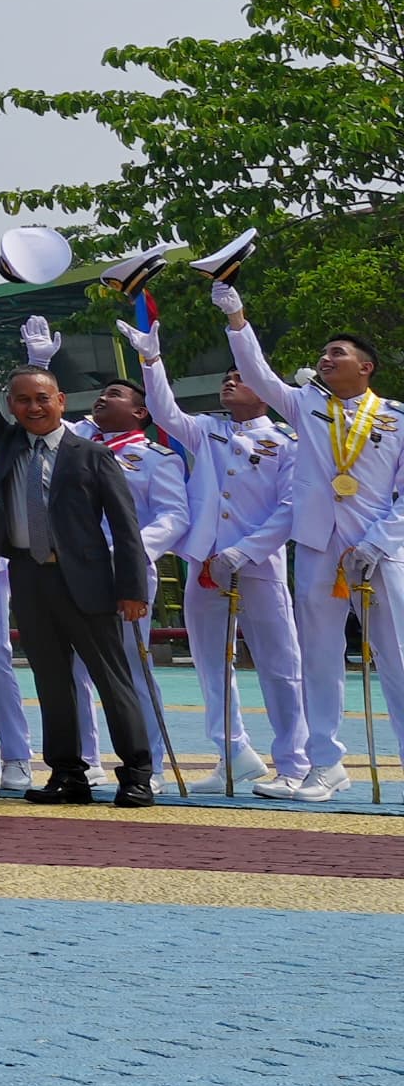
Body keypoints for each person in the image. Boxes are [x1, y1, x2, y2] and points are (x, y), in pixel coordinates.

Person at [0, 296, 154, 806]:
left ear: (60, 401)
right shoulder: (8, 443)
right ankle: (66, 774)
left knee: (112, 681)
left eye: (42, 399)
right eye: (22, 400)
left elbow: (125, 529)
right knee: (53, 683)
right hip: (30, 579)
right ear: (12, 406)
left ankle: (137, 773)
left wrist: (133, 591)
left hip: (88, 584)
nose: (32, 408)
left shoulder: (92, 454)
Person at [219, 282, 397, 803]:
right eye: (322, 354)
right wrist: (236, 317)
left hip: (379, 552)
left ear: (365, 367)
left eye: (336, 353)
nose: (325, 359)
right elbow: (257, 375)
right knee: (318, 659)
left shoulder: (396, 418)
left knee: (397, 658)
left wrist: (379, 543)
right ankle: (326, 766)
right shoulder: (304, 408)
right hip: (320, 549)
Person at [137, 315, 306, 793]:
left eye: (240, 376)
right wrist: (152, 361)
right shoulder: (206, 430)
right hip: (205, 564)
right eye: (226, 378)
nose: (230, 381)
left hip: (258, 565)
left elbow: (291, 507)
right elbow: (164, 411)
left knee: (279, 665)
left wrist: (246, 551)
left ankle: (293, 763)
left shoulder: (285, 441)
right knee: (212, 664)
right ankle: (232, 753)